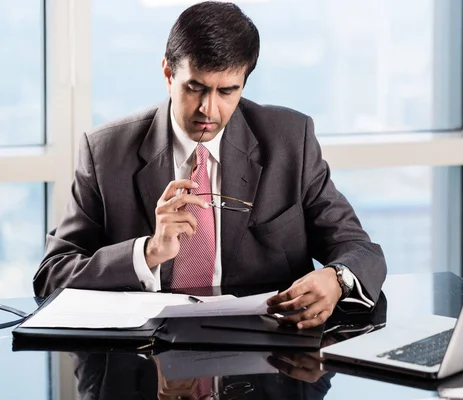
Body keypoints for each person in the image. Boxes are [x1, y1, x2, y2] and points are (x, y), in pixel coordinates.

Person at [33, 1, 386, 329]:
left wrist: (338, 279)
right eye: (195, 87)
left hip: (271, 359)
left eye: (227, 91)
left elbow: (359, 249)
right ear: (168, 74)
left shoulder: (291, 141)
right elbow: (52, 274)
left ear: (244, 82)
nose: (208, 110)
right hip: (144, 360)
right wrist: (148, 252)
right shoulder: (105, 152)